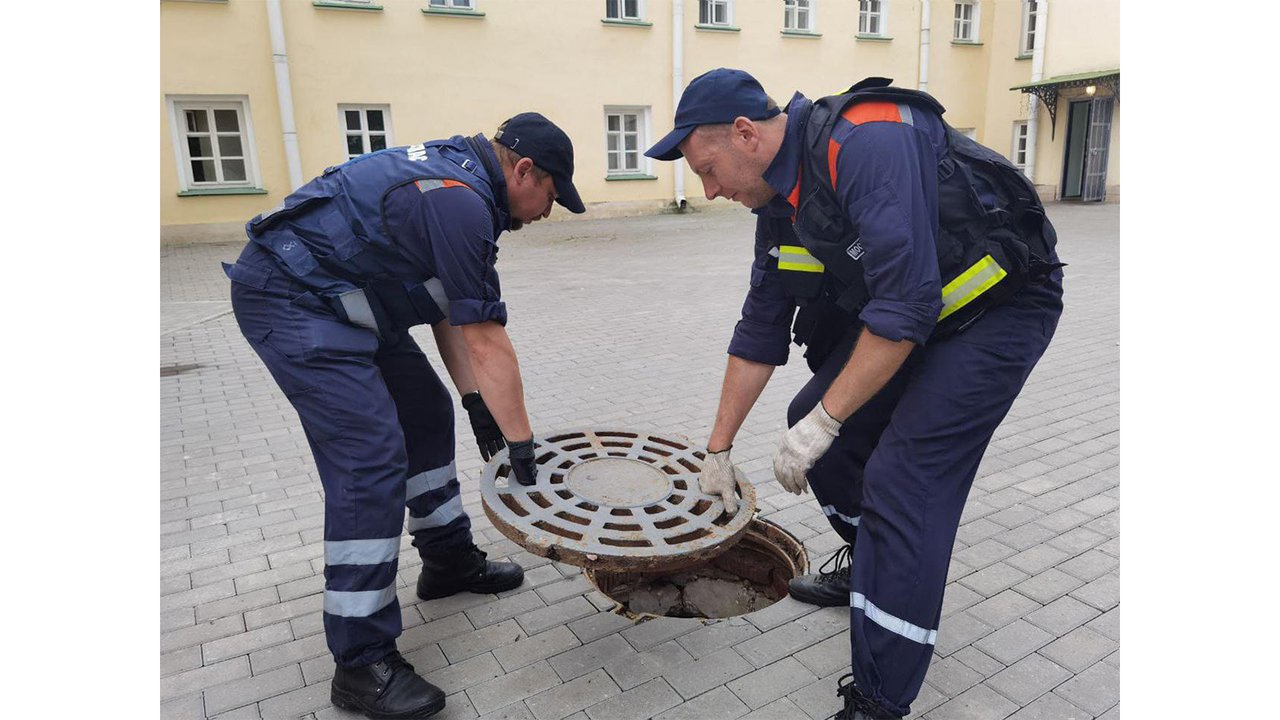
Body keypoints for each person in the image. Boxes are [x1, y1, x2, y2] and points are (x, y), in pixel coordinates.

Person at [646, 69, 1064, 719]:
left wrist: (826, 421)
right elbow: (760, 329)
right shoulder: (778, 203)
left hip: (1001, 307)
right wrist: (717, 451)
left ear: (745, 134)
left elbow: (903, 308)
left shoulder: (867, 141)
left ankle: (879, 699)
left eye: (708, 169)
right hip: (921, 319)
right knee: (812, 426)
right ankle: (875, 565)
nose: (709, 189)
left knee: (905, 479)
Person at [223, 112, 585, 720]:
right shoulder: (458, 201)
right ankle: (361, 661)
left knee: (424, 410)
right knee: (370, 459)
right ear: (524, 170)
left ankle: (446, 559)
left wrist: (477, 407)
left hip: (352, 301)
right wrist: (521, 444)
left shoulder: (465, 188)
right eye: (551, 194)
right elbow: (486, 338)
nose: (550, 210)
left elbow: (453, 312)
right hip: (293, 299)